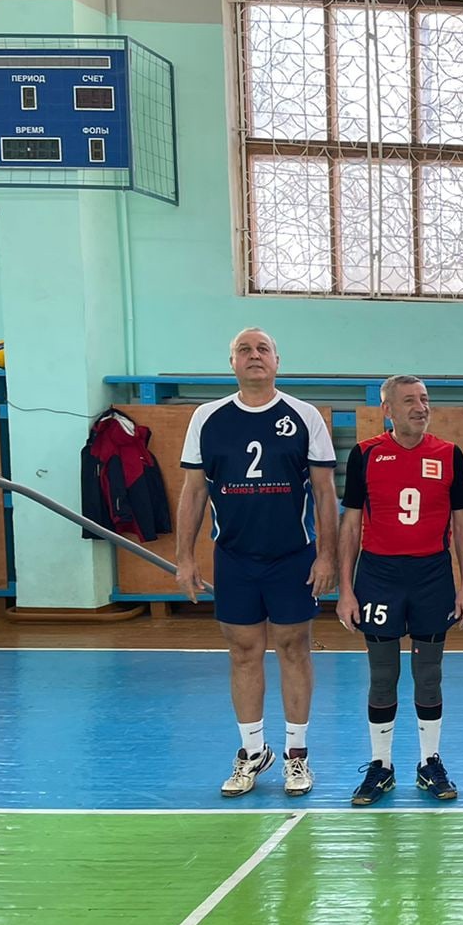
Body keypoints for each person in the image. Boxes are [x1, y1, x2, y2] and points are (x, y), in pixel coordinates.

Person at [175, 327, 337, 797]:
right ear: (232, 363)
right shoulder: (207, 418)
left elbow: (325, 492)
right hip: (234, 558)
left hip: (292, 556)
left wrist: (326, 555)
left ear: (277, 361)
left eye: (262, 348)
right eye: (243, 350)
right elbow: (193, 492)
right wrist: (184, 557)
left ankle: (296, 754)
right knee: (243, 652)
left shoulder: (304, 416)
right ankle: (252, 751)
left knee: (294, 649)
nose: (254, 355)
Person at [338, 376, 463, 806]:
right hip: (378, 575)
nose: (421, 407)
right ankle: (381, 766)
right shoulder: (365, 454)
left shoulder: (449, 454)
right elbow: (350, 524)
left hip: (432, 576)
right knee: (383, 676)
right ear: (387, 410)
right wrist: (345, 589)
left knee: (428, 675)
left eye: (425, 399)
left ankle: (429, 762)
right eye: (410, 400)